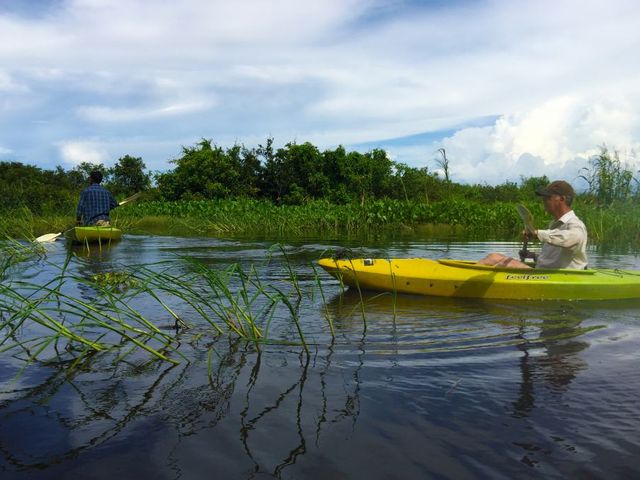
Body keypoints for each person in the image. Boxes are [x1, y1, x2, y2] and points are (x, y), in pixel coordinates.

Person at [478, 180, 588, 269]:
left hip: (564, 277)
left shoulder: (575, 224)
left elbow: (571, 239)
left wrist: (537, 233)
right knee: (493, 257)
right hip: (544, 272)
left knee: (504, 265)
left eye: (548, 197)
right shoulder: (554, 224)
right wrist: (533, 256)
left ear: (562, 199)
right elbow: (555, 258)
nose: (544, 200)